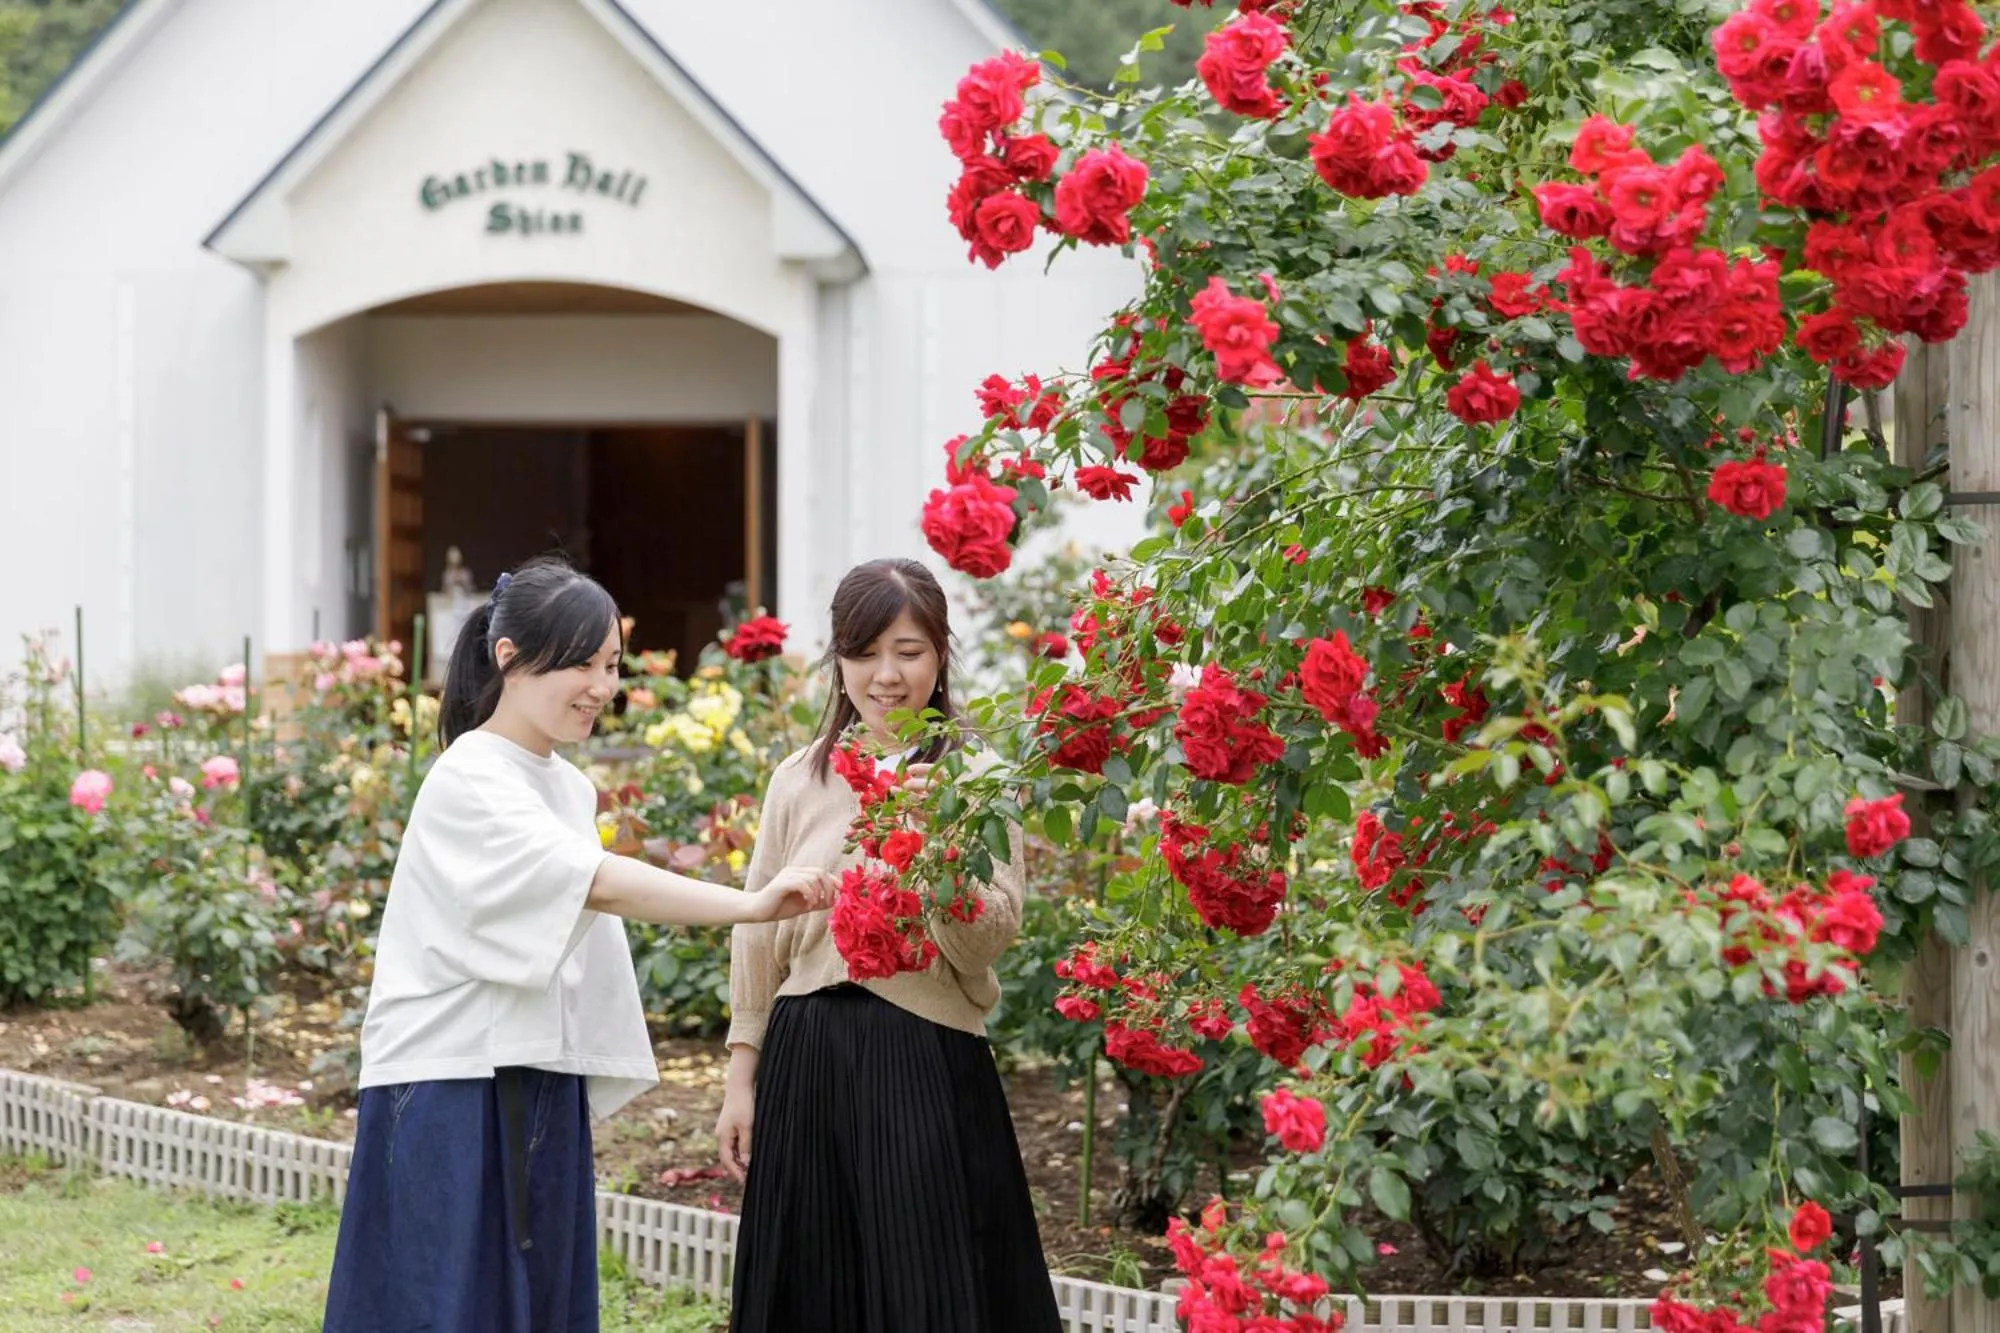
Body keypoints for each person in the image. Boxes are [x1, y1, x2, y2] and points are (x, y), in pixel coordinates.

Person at [324, 556, 837, 1333]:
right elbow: (596, 882)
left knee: (539, 1303)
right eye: (582, 663)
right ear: (509, 657)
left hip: (538, 1071)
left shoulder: (564, 784)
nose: (602, 686)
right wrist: (752, 905)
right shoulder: (470, 775)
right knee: (447, 1308)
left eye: (612, 664)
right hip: (451, 1079)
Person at [718, 557, 1062, 1333]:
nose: (886, 675)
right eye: (865, 652)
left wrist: (937, 841)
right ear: (838, 660)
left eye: (908, 651)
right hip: (806, 1054)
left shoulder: (978, 777)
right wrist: (741, 1076)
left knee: (929, 1285)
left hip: (927, 1054)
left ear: (940, 656)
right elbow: (757, 928)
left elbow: (984, 943)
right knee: (810, 1287)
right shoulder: (797, 779)